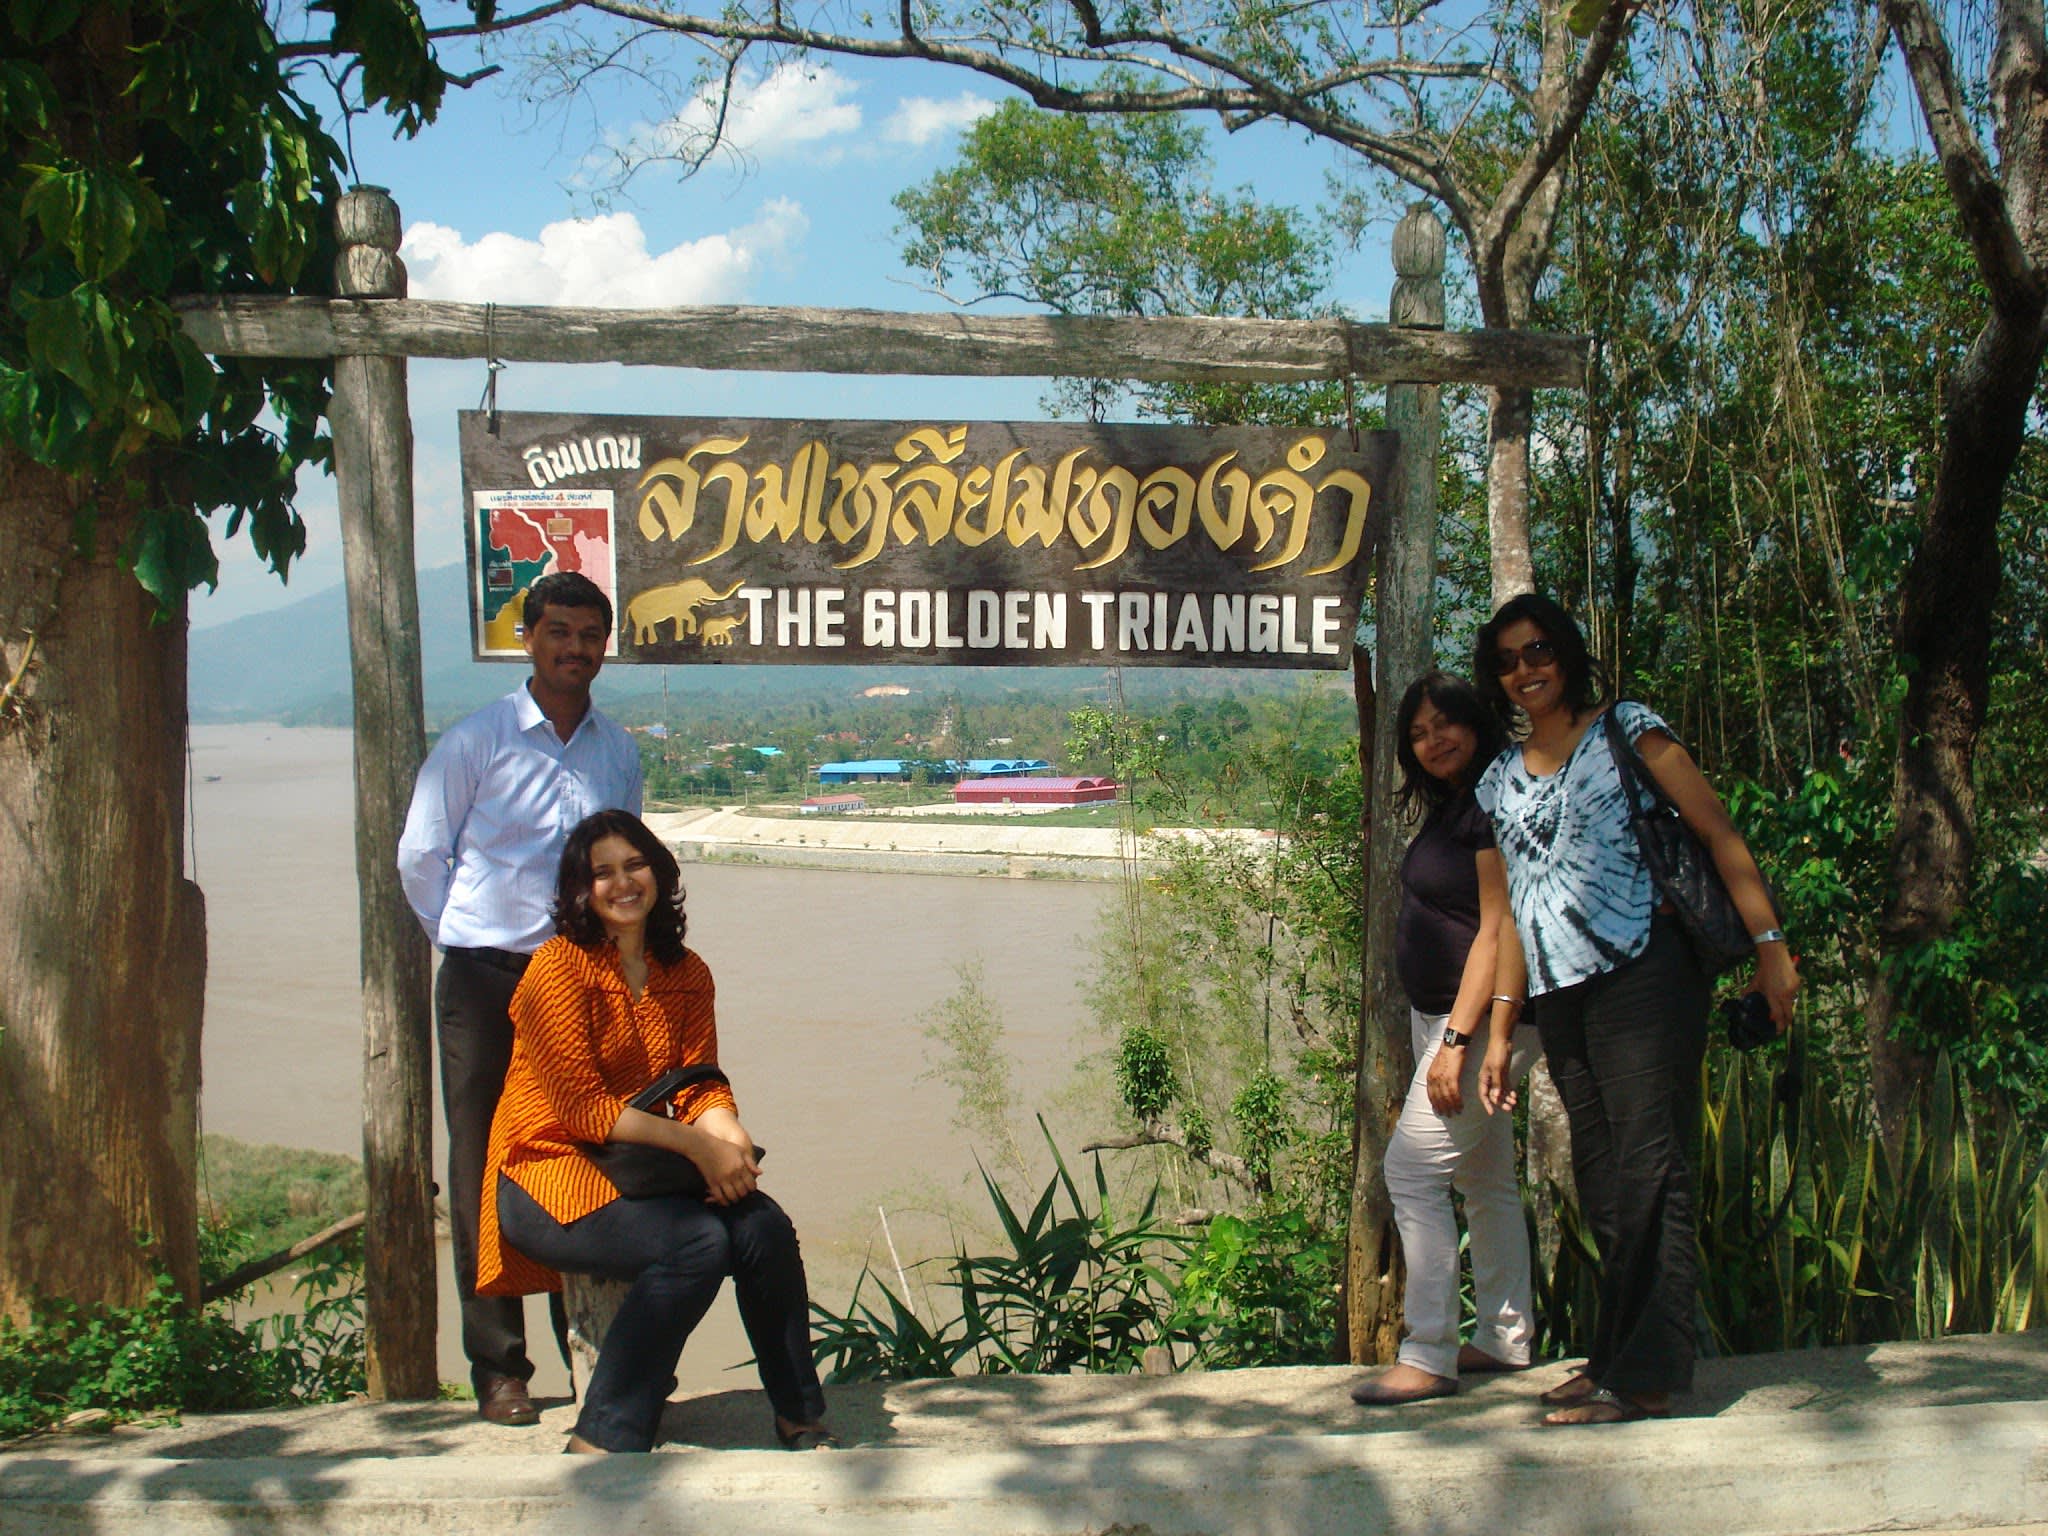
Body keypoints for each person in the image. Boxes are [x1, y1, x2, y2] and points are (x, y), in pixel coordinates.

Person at [1470, 594, 1797, 1426]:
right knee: (1604, 1178)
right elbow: (1512, 912)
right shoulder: (1499, 780)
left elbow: (1717, 831)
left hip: (1646, 972)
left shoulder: (1626, 729)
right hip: (1561, 991)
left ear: (1567, 653)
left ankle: (1647, 1377)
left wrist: (1771, 949)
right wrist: (1503, 1028)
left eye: (1538, 649)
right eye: (1508, 659)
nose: (1525, 670)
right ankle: (1613, 1357)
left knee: (1652, 1168)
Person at [478, 809, 833, 1454]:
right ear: (580, 891)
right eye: (602, 873)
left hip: (636, 1167)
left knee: (762, 1226)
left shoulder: (685, 972)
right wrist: (699, 1147)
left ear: (659, 871)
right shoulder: (557, 970)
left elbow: (699, 1082)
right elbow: (583, 1110)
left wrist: (730, 1144)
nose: (622, 883)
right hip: (546, 1174)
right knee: (695, 1243)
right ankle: (607, 1432)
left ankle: (800, 1415)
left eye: (634, 864)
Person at [397, 571, 642, 1426]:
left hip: (576, 984)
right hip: (483, 974)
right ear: (528, 639)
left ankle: (595, 1360)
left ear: (604, 647)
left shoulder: (618, 751)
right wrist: (467, 939)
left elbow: (624, 877)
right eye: (559, 632)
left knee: (580, 1153)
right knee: (480, 1163)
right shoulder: (479, 741)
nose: (574, 648)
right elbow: (420, 856)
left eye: (589, 635)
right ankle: (499, 1367)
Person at [1352, 672, 1539, 1406]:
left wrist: (1462, 1039)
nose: (1433, 742)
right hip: (1453, 1023)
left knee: (1412, 1173)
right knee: (1486, 1181)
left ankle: (1429, 1352)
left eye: (1445, 725)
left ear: (1478, 721)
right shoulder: (1464, 805)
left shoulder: (1493, 803)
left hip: (1483, 1025)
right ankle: (1503, 1336)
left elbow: (1500, 927)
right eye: (1419, 733)